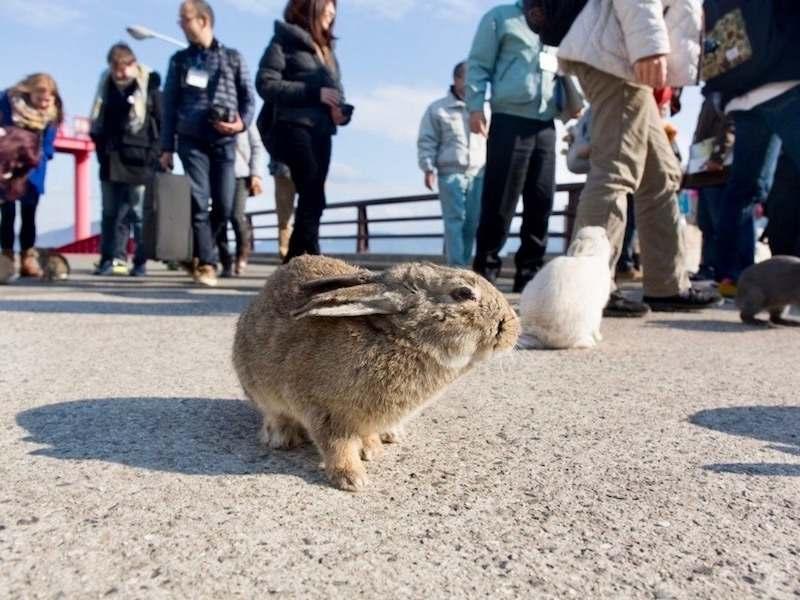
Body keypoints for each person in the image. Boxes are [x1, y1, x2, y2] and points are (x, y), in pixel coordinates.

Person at [556, 0, 719, 315]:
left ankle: (666, 285)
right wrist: (649, 47)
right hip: (619, 55)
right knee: (616, 168)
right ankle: (589, 287)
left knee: (661, 173)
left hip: (623, 56)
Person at [702, 0, 800, 296]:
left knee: (744, 189)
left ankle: (733, 278)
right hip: (784, 79)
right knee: (748, 189)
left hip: (739, 93)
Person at [160, 0, 256, 287]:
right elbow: (169, 105)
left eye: (185, 18)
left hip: (225, 140)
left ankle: (197, 252)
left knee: (225, 206)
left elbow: (249, 98)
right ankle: (207, 263)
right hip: (191, 139)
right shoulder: (179, 61)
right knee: (199, 201)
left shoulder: (233, 57)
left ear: (203, 20)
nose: (180, 24)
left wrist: (241, 124)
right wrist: (166, 147)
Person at [466, 0, 560, 292]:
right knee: (500, 200)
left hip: (546, 123)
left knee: (542, 201)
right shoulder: (500, 17)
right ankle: (486, 272)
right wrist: (475, 106)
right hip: (509, 119)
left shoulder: (556, 20)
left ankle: (530, 275)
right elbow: (478, 64)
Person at [256, 0, 351, 262]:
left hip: (323, 130)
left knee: (316, 195)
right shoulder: (283, 41)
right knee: (311, 190)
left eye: (334, 9)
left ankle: (300, 258)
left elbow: (337, 91)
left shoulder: (327, 50)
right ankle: (304, 257)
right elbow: (265, 84)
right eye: (327, 7)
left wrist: (340, 112)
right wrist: (313, 93)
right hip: (292, 126)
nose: (332, 13)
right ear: (309, 7)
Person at [90, 43, 162, 277]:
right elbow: (97, 122)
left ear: (133, 64)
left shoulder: (149, 85)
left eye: (123, 68)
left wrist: (156, 155)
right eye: (115, 69)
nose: (119, 74)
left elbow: (160, 122)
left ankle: (140, 261)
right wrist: (100, 150)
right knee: (110, 213)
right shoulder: (105, 86)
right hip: (111, 157)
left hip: (140, 159)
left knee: (138, 213)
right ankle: (110, 259)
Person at [417, 61, 486, 267]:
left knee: (472, 222)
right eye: (468, 79)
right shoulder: (437, 109)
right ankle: (457, 267)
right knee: (454, 221)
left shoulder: (484, 108)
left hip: (478, 173)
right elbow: (427, 140)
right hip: (450, 172)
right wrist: (428, 168)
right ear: (456, 79)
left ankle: (463, 264)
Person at [0, 73, 62, 279]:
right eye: (39, 99)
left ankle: (28, 255)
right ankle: (6, 255)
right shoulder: (8, 102)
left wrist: (43, 155)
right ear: (29, 93)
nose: (44, 104)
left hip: (34, 167)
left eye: (48, 100)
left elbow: (49, 144)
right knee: (7, 212)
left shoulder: (52, 113)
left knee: (29, 213)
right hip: (8, 165)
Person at [218, 122, 266, 277]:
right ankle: (225, 261)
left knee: (236, 216)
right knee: (220, 217)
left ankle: (242, 255)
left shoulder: (246, 117)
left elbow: (256, 146)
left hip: (241, 174)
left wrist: (255, 174)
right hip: (218, 173)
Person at [270, 159, 296, 260]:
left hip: (310, 166)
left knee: (309, 214)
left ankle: (309, 254)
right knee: (284, 219)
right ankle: (286, 256)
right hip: (282, 168)